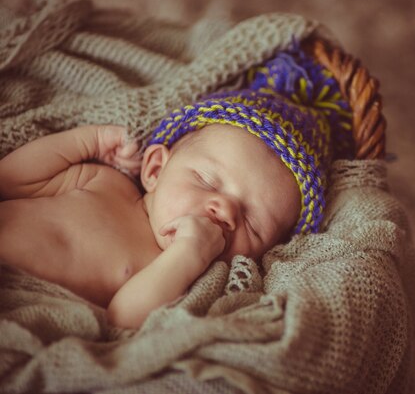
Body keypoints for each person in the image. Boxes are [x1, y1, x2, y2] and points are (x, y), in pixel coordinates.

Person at [0, 46, 353, 329]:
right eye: (207, 180)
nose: (227, 210)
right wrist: (87, 141)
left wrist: (188, 254)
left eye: (254, 225)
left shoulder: (181, 276)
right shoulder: (103, 181)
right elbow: (12, 178)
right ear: (154, 169)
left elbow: (121, 319)